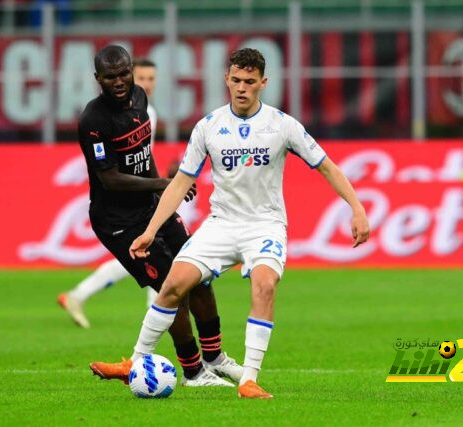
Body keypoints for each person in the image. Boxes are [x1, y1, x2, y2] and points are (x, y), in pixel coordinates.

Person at [93, 48, 370, 399]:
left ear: (263, 83)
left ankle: (249, 380)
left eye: (250, 82)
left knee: (265, 284)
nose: (242, 88)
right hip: (221, 223)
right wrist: (150, 231)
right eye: (236, 80)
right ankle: (135, 360)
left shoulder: (282, 125)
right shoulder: (208, 127)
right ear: (227, 79)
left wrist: (356, 208)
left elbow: (326, 165)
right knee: (174, 285)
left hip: (265, 224)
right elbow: (180, 182)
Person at [75, 45, 242, 387]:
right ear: (98, 79)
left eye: (124, 73)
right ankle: (194, 373)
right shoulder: (94, 121)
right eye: (110, 77)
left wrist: (163, 194)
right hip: (118, 221)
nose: (119, 82)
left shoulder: (139, 99)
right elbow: (109, 178)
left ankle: (215, 357)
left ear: (131, 70)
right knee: (172, 288)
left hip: (152, 205)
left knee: (200, 275)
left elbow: (144, 153)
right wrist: (165, 184)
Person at [58, 58, 160, 329]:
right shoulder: (100, 117)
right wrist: (161, 185)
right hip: (127, 199)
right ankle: (156, 314)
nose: (146, 84)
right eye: (142, 78)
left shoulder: (145, 107)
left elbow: (144, 154)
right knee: (155, 258)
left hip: (146, 193)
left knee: (144, 256)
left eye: (152, 78)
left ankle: (78, 295)